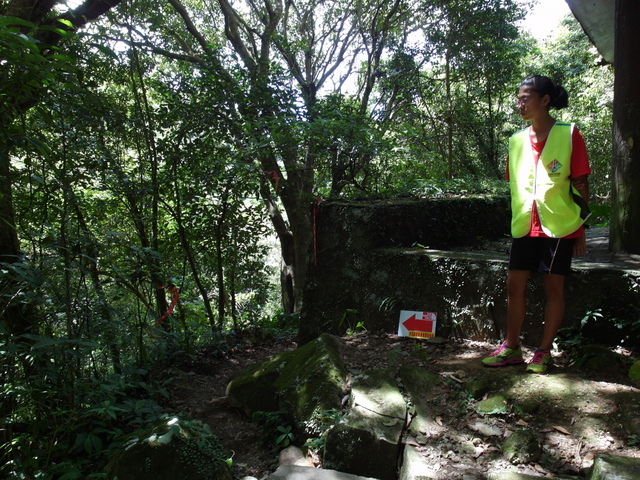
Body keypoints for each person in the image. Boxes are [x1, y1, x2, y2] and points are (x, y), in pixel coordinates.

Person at [482, 75, 591, 374]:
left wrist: (580, 230)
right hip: (524, 224)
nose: (520, 103)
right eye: (518, 98)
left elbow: (580, 183)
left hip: (559, 225)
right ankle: (512, 347)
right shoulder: (516, 141)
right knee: (513, 285)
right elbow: (518, 185)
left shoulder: (569, 134)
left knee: (553, 287)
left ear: (544, 101)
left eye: (526, 98)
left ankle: (543, 352)